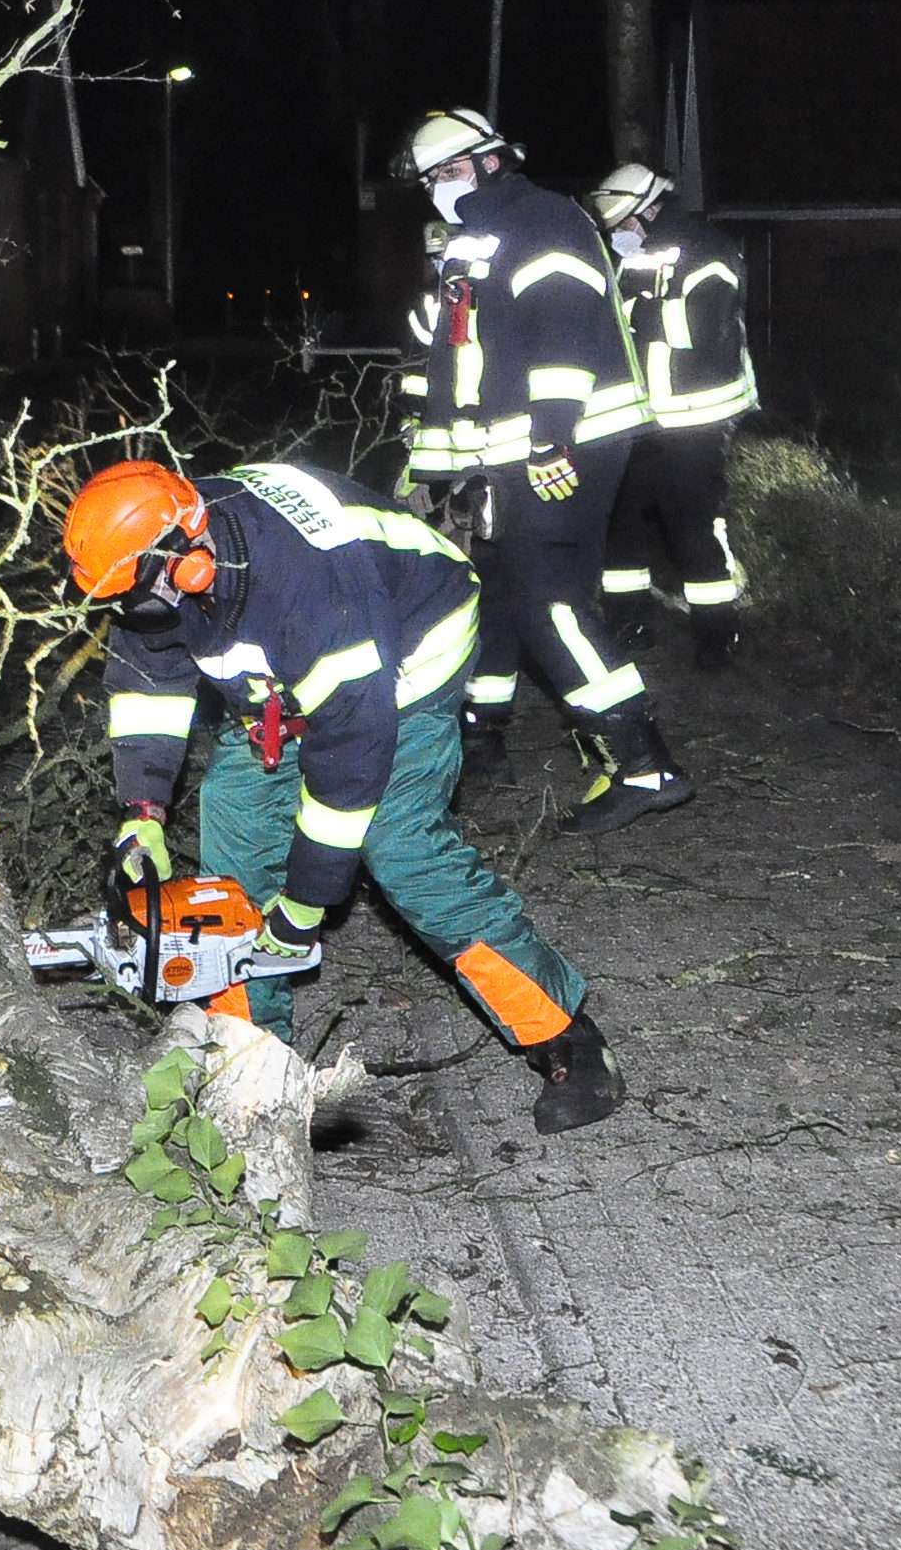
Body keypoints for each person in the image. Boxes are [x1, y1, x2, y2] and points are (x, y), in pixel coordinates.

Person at [62, 456, 624, 1134]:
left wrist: (306, 902)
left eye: (137, 596)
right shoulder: (149, 552)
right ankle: (249, 1058)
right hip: (289, 672)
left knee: (398, 845)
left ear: (189, 561)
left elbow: (349, 764)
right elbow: (148, 682)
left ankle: (564, 1036)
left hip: (409, 650)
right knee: (234, 820)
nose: (130, 612)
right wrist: (142, 813)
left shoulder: (308, 589)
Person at [390, 108, 690, 835]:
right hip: (506, 453)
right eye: (431, 180)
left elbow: (563, 331)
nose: (441, 189)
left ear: (495, 161)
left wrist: (551, 440)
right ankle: (481, 736)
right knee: (490, 587)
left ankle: (642, 762)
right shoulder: (475, 240)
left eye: (451, 172)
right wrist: (431, 459)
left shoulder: (541, 220)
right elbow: (461, 359)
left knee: (549, 601)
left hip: (559, 447)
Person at [584, 164, 758, 671]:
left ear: (649, 211)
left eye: (622, 226)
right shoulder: (629, 255)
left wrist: (634, 311)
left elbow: (698, 328)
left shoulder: (710, 250)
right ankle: (628, 622)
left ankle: (717, 636)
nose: (617, 236)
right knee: (623, 526)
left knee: (693, 529)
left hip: (695, 422)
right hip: (637, 419)